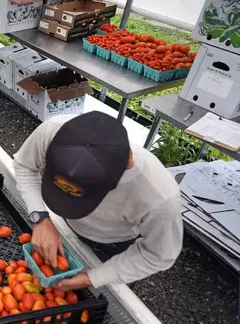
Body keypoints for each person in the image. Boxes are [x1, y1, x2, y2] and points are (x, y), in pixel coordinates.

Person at [13, 111, 182, 290]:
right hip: (64, 227)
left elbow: (158, 254)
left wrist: (93, 278)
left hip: (113, 245)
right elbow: (25, 165)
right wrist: (41, 218)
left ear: (128, 165)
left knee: (110, 294)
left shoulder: (158, 197)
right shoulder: (52, 130)